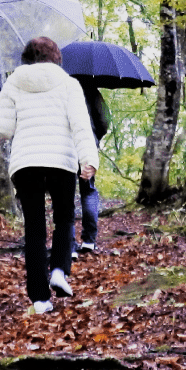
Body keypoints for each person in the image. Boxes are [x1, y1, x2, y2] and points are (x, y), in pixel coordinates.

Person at [0, 36, 98, 314]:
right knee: (64, 218)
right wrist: (89, 160)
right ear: (56, 58)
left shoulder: (13, 81)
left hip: (26, 162)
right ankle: (59, 271)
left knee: (35, 230)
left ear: (27, 57)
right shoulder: (69, 83)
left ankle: (39, 299)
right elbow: (80, 125)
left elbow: (3, 129)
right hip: (60, 161)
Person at [75, 79, 109, 255]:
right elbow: (104, 119)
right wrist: (96, 136)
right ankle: (88, 240)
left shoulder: (60, 86)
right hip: (87, 144)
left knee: (65, 193)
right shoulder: (90, 90)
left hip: (65, 147)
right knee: (88, 190)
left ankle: (69, 244)